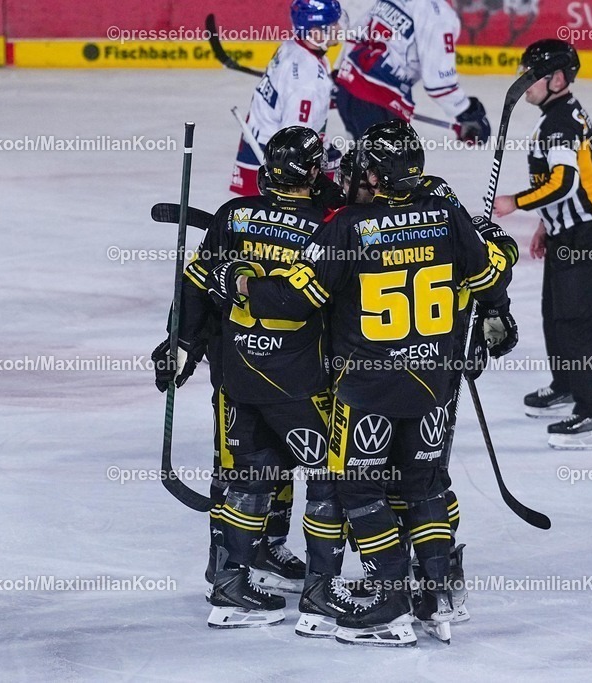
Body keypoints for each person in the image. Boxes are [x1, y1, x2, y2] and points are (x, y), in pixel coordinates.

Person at [212, 121, 516, 646]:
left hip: (367, 388)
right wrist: (495, 251)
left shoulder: (350, 227)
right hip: (433, 384)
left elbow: (295, 299)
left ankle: (389, 605)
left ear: (378, 174)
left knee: (358, 488)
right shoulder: (446, 213)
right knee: (423, 485)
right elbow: (490, 274)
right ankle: (437, 593)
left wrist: (239, 283)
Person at [159, 126, 351, 628]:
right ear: (309, 174)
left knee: (247, 474)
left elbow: (197, 281)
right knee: (328, 476)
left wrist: (179, 342)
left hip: (239, 373)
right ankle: (321, 592)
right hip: (301, 380)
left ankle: (230, 582)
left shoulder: (232, 215)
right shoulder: (329, 223)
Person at [492, 39, 592, 450]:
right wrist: (548, 224)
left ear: (558, 79)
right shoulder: (557, 114)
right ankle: (566, 385)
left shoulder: (559, 122)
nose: (523, 82)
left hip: (590, 234)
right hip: (570, 230)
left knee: (578, 325)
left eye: (531, 75)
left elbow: (563, 181)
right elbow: (571, 184)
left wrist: (516, 203)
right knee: (554, 314)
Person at [333, 0, 491, 143]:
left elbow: (355, 35)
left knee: (363, 165)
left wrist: (341, 75)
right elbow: (439, 82)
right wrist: (466, 112)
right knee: (397, 170)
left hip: (347, 91)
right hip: (379, 100)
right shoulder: (439, 14)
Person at [229, 0, 345, 195]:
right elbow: (294, 142)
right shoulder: (306, 83)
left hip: (260, 142)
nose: (339, 28)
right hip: (272, 161)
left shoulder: (294, 47)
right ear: (316, 33)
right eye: (333, 24)